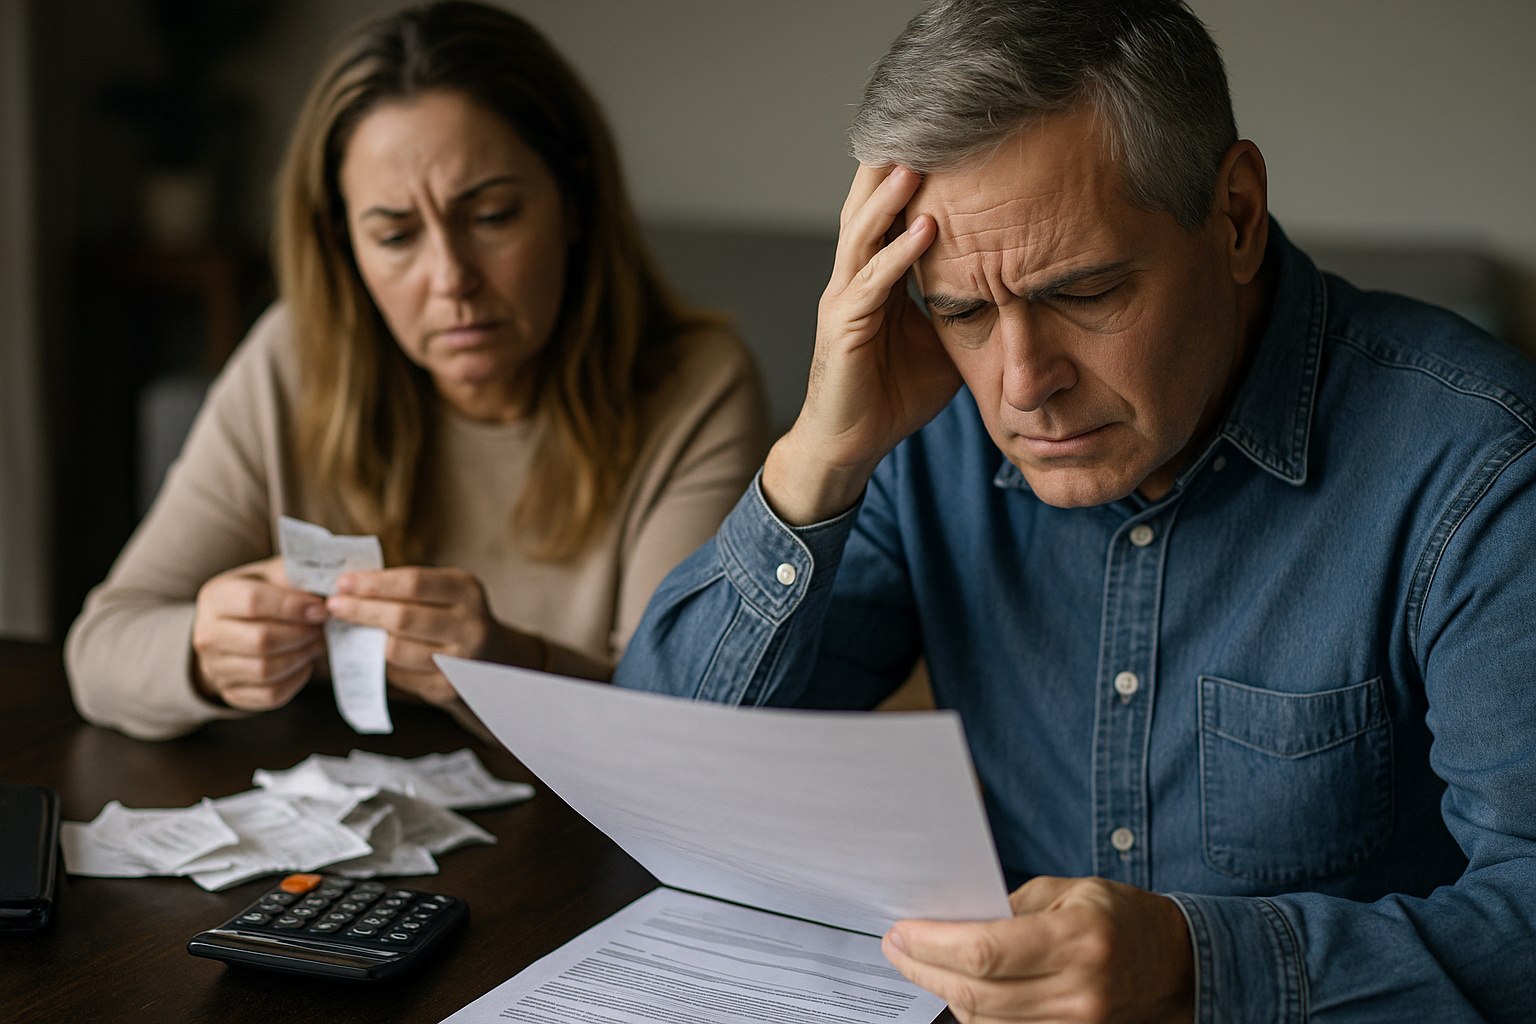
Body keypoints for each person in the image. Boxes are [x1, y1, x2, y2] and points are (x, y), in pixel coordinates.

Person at [614, 1, 1536, 1021]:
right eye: (961, 310)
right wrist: (817, 458)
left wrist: (1196, 965)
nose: (1021, 385)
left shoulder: (1483, 473)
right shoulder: (925, 430)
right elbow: (665, 786)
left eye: (1084, 293)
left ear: (1233, 214)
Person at [66, 1, 768, 742]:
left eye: (492, 215)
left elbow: (673, 724)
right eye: (395, 234)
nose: (450, 278)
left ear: (575, 201)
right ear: (345, 246)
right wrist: (205, 654)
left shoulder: (697, 386)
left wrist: (505, 665)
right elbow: (101, 651)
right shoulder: (292, 358)